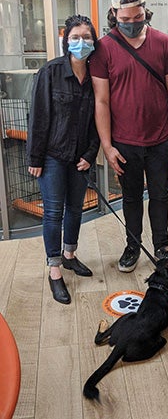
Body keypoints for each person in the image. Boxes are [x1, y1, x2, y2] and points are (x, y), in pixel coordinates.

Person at [90, 0, 168, 272]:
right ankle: (133, 245)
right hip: (124, 142)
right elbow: (102, 101)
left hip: (161, 140)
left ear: (146, 11)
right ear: (114, 14)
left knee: (160, 195)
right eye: (125, 19)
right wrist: (107, 146)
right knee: (131, 198)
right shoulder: (104, 49)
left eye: (138, 17)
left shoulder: (163, 43)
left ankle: (161, 245)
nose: (132, 23)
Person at [27, 15, 100, 304]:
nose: (81, 42)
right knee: (54, 212)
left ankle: (70, 255)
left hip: (80, 157)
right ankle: (54, 269)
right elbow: (39, 117)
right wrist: (35, 157)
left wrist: (90, 155)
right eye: (75, 37)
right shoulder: (50, 72)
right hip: (53, 156)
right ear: (66, 41)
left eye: (87, 36)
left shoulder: (97, 76)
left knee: (76, 210)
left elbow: (100, 119)